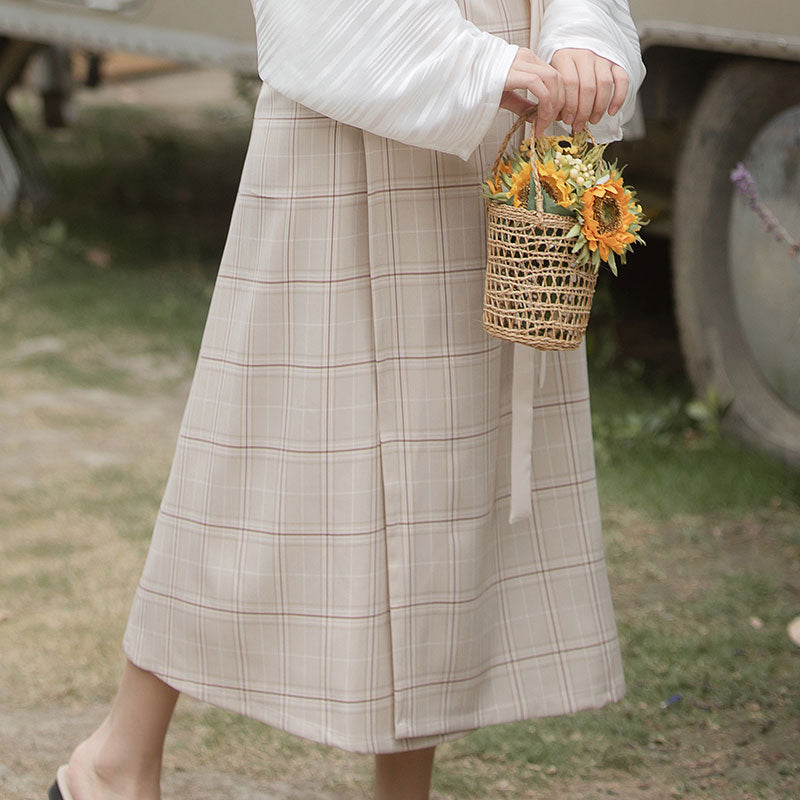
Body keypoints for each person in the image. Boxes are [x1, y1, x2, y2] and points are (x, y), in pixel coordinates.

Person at [49, 1, 645, 798]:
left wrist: (580, 38)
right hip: (351, 110)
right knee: (262, 458)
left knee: (449, 475)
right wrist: (473, 64)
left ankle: (403, 793)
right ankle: (117, 758)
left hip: (498, 128)